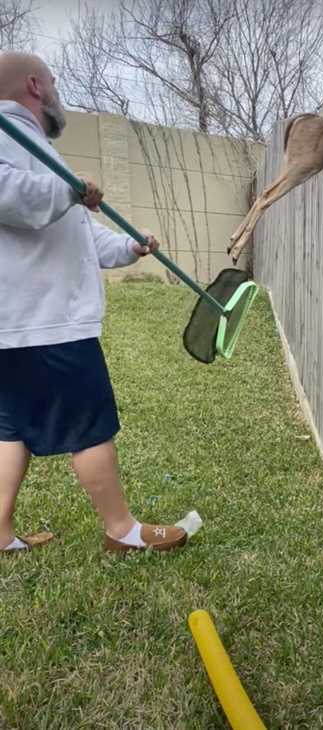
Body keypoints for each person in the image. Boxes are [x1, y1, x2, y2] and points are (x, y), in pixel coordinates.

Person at [0, 51, 187, 553]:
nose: (58, 92)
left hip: (23, 327)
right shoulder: (4, 135)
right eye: (55, 82)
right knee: (88, 427)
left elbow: (74, 232)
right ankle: (122, 531)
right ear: (36, 85)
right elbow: (12, 198)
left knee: (11, 429)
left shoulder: (34, 146)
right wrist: (66, 191)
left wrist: (128, 246)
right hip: (47, 324)